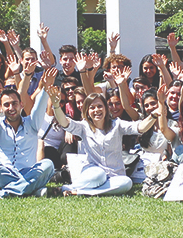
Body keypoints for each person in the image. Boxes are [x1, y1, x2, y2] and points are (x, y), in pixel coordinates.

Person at [49, 68, 157, 196]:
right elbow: (64, 122)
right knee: (98, 176)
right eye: (92, 108)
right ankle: (70, 188)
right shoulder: (84, 127)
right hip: (93, 173)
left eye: (100, 106)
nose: (96, 110)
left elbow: (140, 127)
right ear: (87, 112)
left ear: (105, 109)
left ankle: (78, 192)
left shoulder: (117, 124)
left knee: (127, 182)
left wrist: (153, 116)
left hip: (115, 176)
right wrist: (56, 105)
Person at [0, 69, 57, 200]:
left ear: (21, 104)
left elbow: (39, 106)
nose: (11, 108)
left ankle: (3, 193)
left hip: (28, 172)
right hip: (4, 173)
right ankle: (30, 189)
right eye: (6, 105)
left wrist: (46, 88)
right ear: (1, 108)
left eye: (14, 103)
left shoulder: (32, 123)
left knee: (48, 164)